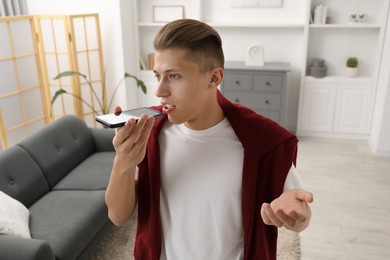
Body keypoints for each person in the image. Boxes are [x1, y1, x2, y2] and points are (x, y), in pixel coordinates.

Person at [105, 19, 313, 260]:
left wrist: (297, 217)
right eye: (158, 75)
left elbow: (300, 218)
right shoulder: (149, 134)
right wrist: (124, 161)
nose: (159, 91)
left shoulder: (264, 141)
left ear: (214, 78)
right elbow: (117, 216)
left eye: (173, 76)